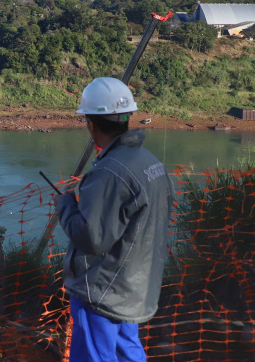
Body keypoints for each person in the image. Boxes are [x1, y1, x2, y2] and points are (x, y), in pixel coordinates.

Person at [56, 77, 174, 362]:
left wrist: (65, 206)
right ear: (126, 118)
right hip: (131, 287)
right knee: (127, 353)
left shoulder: (110, 172)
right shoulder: (149, 162)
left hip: (102, 292)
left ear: (91, 123)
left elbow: (91, 238)